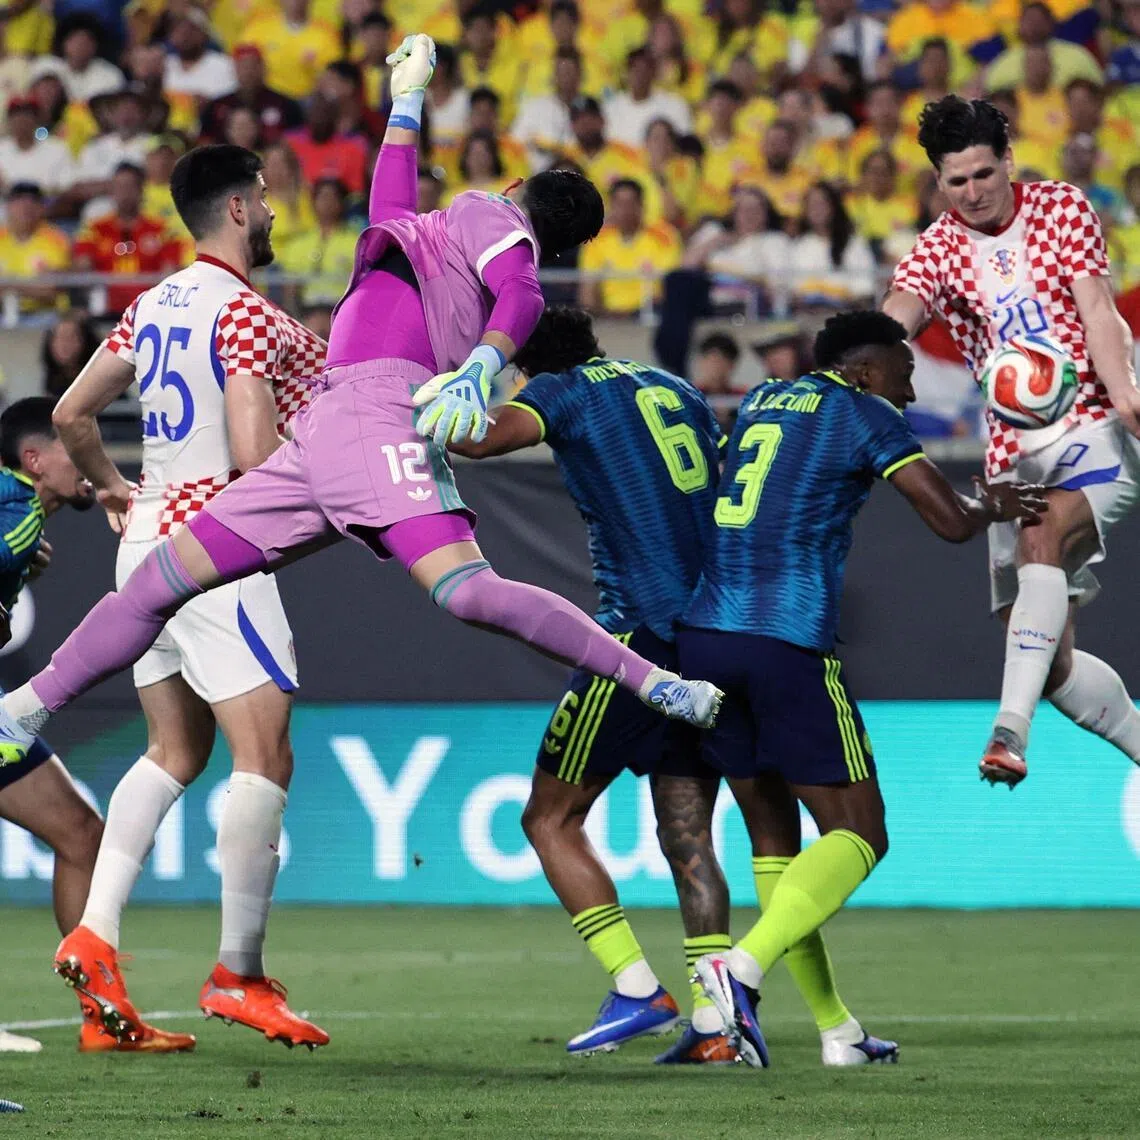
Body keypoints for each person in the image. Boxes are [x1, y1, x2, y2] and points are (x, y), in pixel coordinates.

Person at [0, 27, 721, 868]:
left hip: (370, 415)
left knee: (172, 585)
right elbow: (390, 201)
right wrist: (405, 104)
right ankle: (24, 708)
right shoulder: (430, 239)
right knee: (195, 582)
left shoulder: (493, 217)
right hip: (336, 426)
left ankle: (32, 704)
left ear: (518, 188)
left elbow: (521, 292)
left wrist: (483, 364)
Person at [450, 307, 891, 1068]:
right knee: (696, 831)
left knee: (549, 818)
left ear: (530, 368)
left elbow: (481, 438)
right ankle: (730, 1024)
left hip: (636, 638)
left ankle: (634, 987)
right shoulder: (674, 386)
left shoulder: (562, 391)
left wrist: (422, 400)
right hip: (711, 627)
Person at [683, 311, 1045, 1067]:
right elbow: (948, 522)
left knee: (777, 841)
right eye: (902, 375)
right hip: (784, 640)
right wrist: (996, 502)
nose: (908, 391)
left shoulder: (760, 400)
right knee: (861, 833)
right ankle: (737, 970)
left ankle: (836, 1031)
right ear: (864, 371)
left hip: (707, 637)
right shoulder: (861, 412)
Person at [49, 142, 329, 1052]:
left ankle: (95, 941)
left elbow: (71, 416)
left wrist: (111, 488)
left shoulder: (152, 302)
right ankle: (237, 974)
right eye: (269, 201)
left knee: (174, 748)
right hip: (218, 547)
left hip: (144, 544)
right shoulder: (241, 311)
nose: (275, 215)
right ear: (242, 208)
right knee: (265, 754)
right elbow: (251, 456)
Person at [883, 95, 1140, 786]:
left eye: (983, 175)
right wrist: (864, 354)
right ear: (939, 182)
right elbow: (895, 319)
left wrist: (1123, 392)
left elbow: (1096, 307)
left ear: (1008, 162)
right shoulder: (937, 248)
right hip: (1014, 453)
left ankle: (1008, 732)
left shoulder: (1062, 207)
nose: (971, 192)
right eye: (956, 180)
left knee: (1042, 535)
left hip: (1095, 422)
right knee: (1051, 664)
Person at [0, 399, 193, 1054]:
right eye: (70, 448)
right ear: (34, 460)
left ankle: (102, 1015)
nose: (86, 460)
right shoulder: (15, 510)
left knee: (82, 836)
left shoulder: (24, 526)